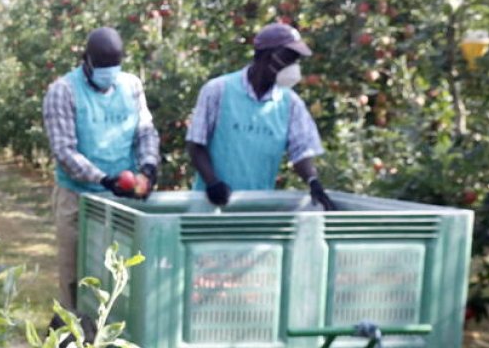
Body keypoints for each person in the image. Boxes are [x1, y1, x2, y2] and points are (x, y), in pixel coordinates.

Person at [43, 27, 160, 311]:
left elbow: (145, 130)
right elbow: (65, 151)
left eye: (114, 65)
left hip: (122, 197)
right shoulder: (63, 91)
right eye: (103, 66)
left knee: (120, 272)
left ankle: (110, 341)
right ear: (87, 60)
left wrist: (148, 166)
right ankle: (72, 337)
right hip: (78, 196)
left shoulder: (131, 86)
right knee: (75, 274)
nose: (109, 72)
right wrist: (104, 180)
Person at [186, 23, 336, 211]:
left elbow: (302, 150)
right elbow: (196, 144)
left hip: (257, 209)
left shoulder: (289, 103)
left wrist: (313, 181)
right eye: (288, 58)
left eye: (296, 60)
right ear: (267, 56)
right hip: (210, 206)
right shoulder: (218, 91)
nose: (293, 66)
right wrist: (212, 183)